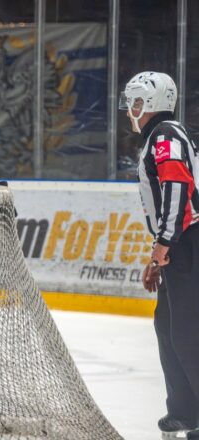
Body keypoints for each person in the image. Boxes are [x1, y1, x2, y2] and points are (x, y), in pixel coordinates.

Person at [125, 71, 199, 439]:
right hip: (181, 244)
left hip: (187, 242)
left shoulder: (166, 135)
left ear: (148, 104)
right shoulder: (162, 136)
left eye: (134, 103)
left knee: (189, 332)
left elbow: (177, 186)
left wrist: (161, 248)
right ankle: (186, 410)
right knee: (169, 328)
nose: (129, 111)